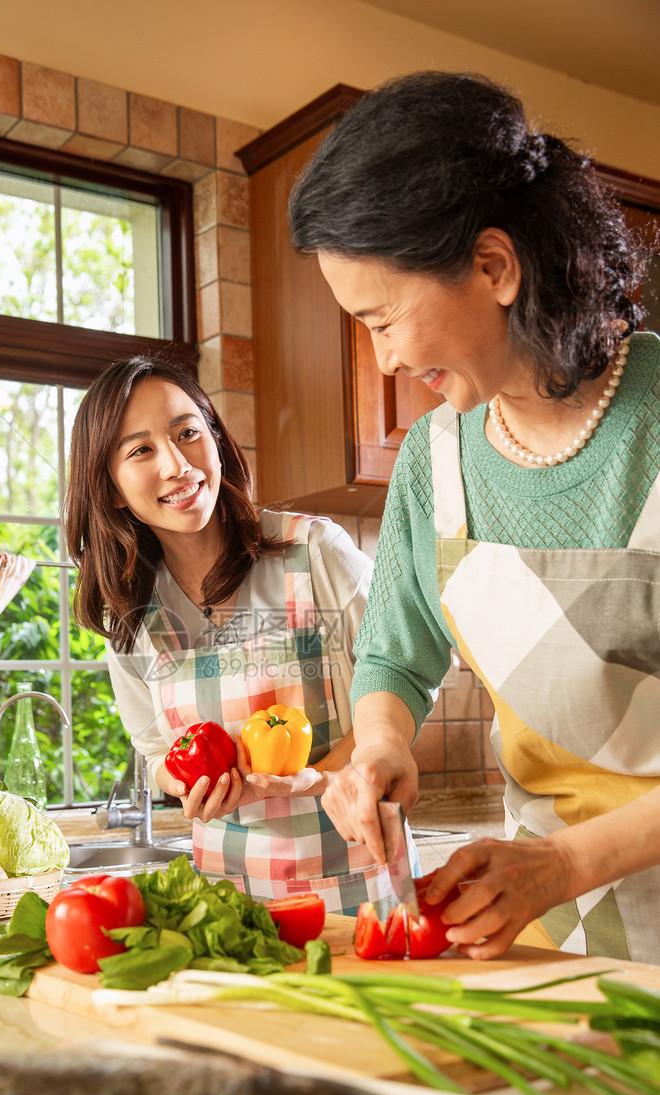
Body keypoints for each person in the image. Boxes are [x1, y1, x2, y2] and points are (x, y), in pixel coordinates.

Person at [288, 70, 660, 962]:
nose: (380, 362)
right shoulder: (436, 458)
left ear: (493, 267)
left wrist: (564, 861)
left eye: (381, 319)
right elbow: (393, 650)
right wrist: (379, 743)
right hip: (556, 929)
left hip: (560, 877)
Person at [65, 355, 378, 911]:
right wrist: (187, 783)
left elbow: (401, 689)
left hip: (360, 890)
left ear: (215, 437)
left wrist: (321, 777)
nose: (177, 464)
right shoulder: (133, 613)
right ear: (110, 489)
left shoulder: (314, 553)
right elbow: (157, 750)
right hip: (227, 910)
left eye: (188, 433)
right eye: (140, 450)